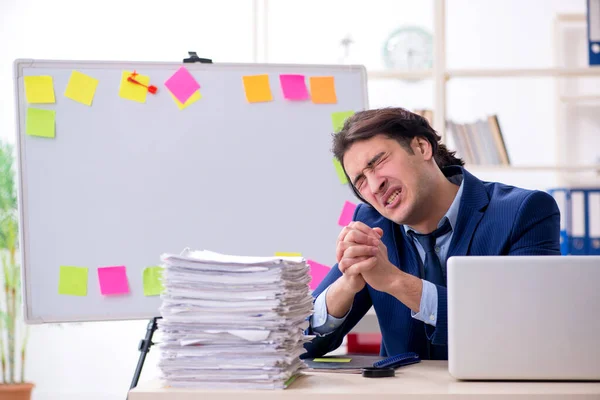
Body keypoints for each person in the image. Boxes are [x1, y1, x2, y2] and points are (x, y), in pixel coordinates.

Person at [302, 107, 561, 361]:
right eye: (360, 181)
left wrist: (394, 281)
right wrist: (347, 284)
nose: (374, 185)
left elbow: (528, 330)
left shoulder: (524, 212)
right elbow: (300, 344)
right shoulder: (372, 223)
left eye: (378, 161)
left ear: (422, 147)